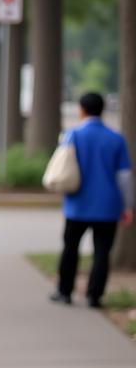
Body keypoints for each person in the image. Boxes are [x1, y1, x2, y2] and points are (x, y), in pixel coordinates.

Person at [50, 91, 133, 307]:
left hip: (77, 203)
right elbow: (124, 177)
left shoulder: (72, 135)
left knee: (70, 248)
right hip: (108, 206)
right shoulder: (116, 139)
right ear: (102, 110)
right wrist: (127, 206)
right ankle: (94, 296)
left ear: (81, 109)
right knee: (102, 252)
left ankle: (64, 291)